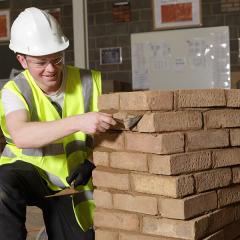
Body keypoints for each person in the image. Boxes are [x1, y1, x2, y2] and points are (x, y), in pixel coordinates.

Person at [0, 7, 116, 240]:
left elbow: (116, 134)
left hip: (73, 181)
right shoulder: (14, 90)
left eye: (57, 59)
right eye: (41, 62)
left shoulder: (91, 81)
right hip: (27, 176)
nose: (51, 69)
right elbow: (21, 135)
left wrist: (92, 162)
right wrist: (78, 122)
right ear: (22, 60)